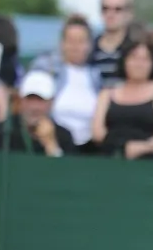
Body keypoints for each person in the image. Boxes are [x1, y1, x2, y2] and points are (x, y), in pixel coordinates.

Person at [92, 40, 153, 160]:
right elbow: (97, 132)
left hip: (149, 162)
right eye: (134, 58)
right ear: (124, 61)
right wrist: (117, 145)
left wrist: (141, 147)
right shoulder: (107, 93)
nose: (139, 64)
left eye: (145, 59)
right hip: (111, 157)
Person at [31, 14, 102, 152]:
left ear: (89, 45)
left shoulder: (96, 76)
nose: (75, 47)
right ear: (62, 43)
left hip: (89, 148)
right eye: (71, 41)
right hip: (53, 143)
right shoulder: (46, 68)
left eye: (81, 41)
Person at [0, 71, 76, 156]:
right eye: (30, 99)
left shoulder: (63, 137)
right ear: (21, 101)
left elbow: (68, 171)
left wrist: (51, 145)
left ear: (51, 103)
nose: (34, 107)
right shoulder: (4, 133)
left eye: (41, 100)